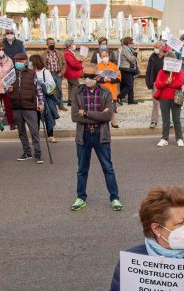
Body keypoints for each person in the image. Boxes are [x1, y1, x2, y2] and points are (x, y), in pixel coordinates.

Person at [69, 68, 121, 212]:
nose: (86, 79)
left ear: (97, 77)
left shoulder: (106, 92)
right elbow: (74, 116)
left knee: (108, 168)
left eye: (90, 76)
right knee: (82, 169)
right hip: (83, 135)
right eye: (84, 76)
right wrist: (99, 115)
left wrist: (86, 113)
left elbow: (108, 116)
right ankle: (80, 197)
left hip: (101, 135)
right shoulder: (77, 92)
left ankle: (115, 197)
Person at [9, 52, 46, 163]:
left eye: (20, 61)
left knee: (34, 131)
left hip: (30, 106)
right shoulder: (11, 74)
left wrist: (41, 103)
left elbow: (39, 89)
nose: (18, 63)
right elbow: (6, 88)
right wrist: (8, 89)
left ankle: (38, 154)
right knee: (21, 131)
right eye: (16, 61)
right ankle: (27, 152)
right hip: (16, 106)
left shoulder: (32, 73)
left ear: (25, 61)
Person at [154, 57, 184, 147]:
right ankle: (164, 138)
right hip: (164, 98)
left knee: (176, 119)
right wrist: (166, 83)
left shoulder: (179, 71)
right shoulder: (161, 72)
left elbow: (179, 84)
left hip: (176, 97)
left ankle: (179, 138)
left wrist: (168, 83)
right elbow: (157, 84)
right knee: (165, 120)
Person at [30, 54, 60, 143]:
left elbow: (52, 84)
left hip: (45, 98)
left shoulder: (45, 72)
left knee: (48, 117)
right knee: (35, 118)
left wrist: (41, 85)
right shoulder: (30, 72)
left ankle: (50, 135)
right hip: (33, 99)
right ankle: (35, 137)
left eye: (31, 61)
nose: (29, 63)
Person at [94, 49, 121, 129]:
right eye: (103, 56)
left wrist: (110, 79)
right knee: (101, 108)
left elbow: (119, 78)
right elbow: (95, 78)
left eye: (106, 55)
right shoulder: (98, 66)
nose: (105, 57)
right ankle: (101, 122)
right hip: (101, 91)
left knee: (112, 108)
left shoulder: (114, 66)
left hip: (112, 91)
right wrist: (103, 80)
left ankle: (113, 122)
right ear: (100, 57)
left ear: (109, 56)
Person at [144, 46, 163, 128]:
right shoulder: (152, 57)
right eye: (155, 47)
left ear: (161, 47)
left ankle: (169, 121)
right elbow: (148, 70)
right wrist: (148, 82)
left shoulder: (167, 56)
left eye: (157, 47)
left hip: (165, 83)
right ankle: (154, 120)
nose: (155, 48)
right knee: (155, 102)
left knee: (166, 103)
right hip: (155, 82)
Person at [117, 37, 138, 105]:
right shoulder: (126, 49)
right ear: (128, 43)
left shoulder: (129, 49)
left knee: (131, 85)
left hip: (130, 69)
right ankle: (119, 97)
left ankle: (130, 100)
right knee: (129, 85)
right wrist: (136, 53)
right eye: (132, 43)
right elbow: (131, 59)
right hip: (126, 69)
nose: (133, 44)